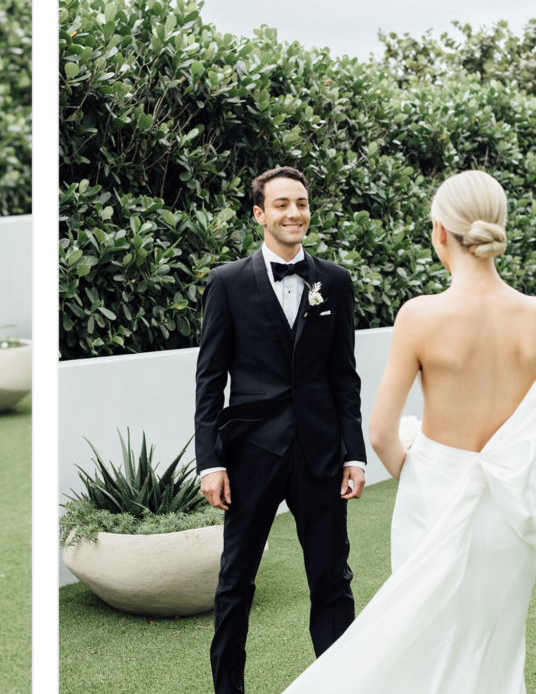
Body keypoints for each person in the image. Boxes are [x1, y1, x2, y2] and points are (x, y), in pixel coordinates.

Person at [281, 170, 536, 694]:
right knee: (496, 641)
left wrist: (426, 473)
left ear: (440, 232)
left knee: (420, 637)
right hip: (510, 513)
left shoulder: (420, 315)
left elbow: (382, 433)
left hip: (430, 501)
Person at [194, 166, 367, 694]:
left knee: (332, 581)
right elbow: (210, 379)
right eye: (282, 204)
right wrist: (211, 460)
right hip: (250, 454)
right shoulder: (226, 283)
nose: (295, 213)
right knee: (235, 581)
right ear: (259, 214)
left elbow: (344, 376)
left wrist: (354, 454)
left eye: (302, 203)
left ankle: (341, 685)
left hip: (320, 453)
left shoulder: (334, 282)